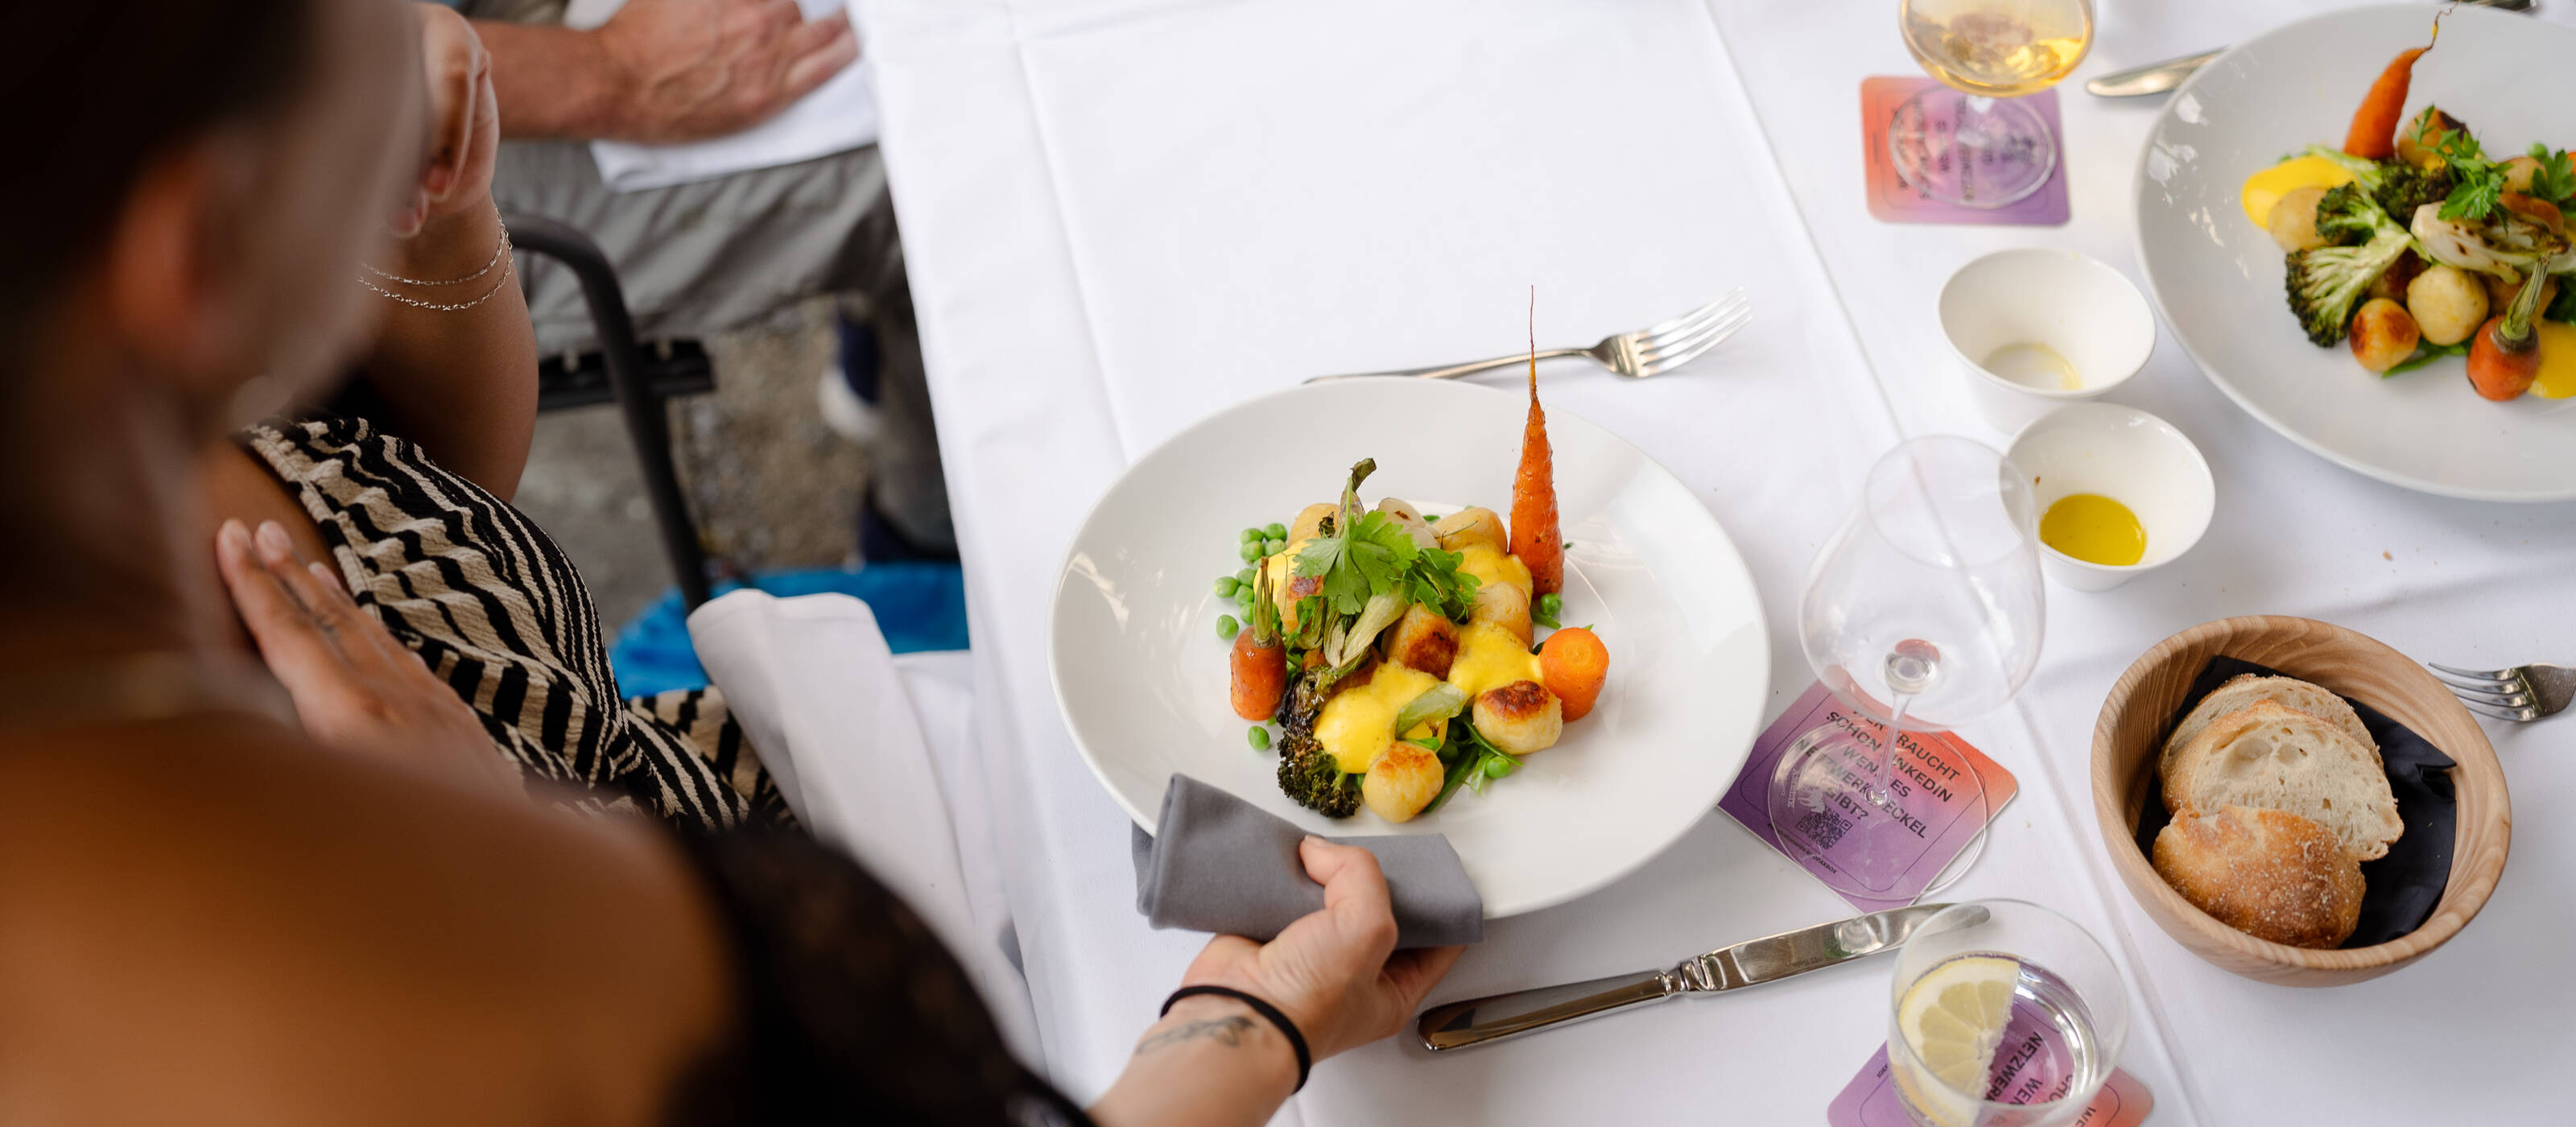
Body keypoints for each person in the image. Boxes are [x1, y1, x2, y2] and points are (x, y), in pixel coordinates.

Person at [0, 1, 1459, 1121]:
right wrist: (1247, 1037)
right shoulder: (419, 1004)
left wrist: (438, 229)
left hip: (802, 774)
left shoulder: (88, 416)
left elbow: (441, 504)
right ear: (191, 252)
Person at [461, 0, 956, 555]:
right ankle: (924, 554)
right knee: (956, 162)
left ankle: (870, 374)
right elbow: (359, 72)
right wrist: (614, 69)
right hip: (401, 175)